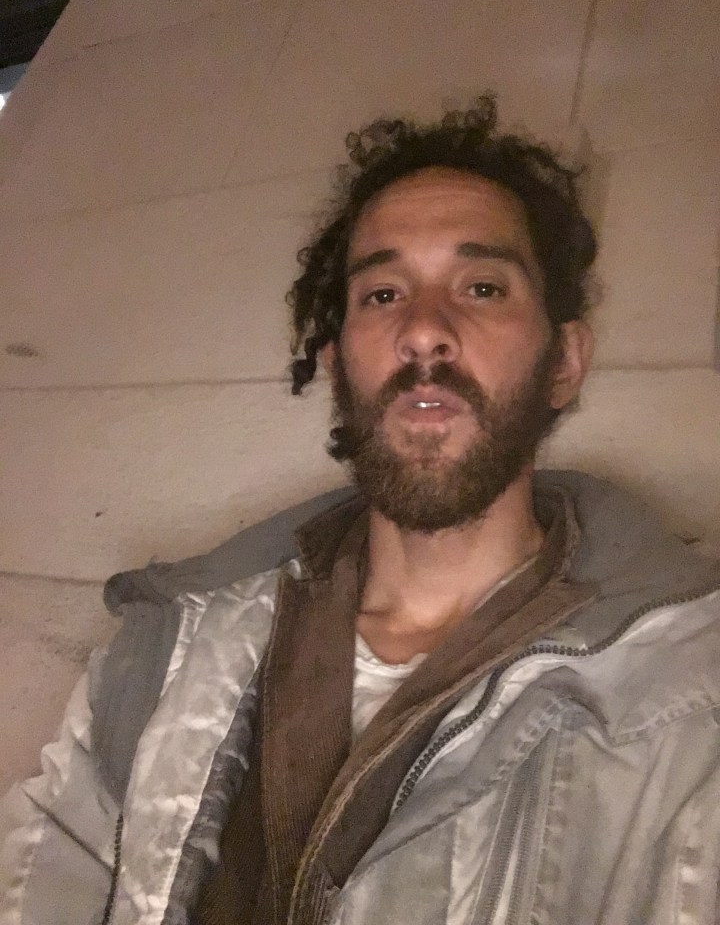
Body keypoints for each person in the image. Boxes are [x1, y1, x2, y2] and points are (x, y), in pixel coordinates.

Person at [1, 95, 719, 925]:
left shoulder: (689, 700)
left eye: (482, 287)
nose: (424, 331)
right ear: (340, 362)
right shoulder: (164, 647)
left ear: (563, 361)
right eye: (382, 294)